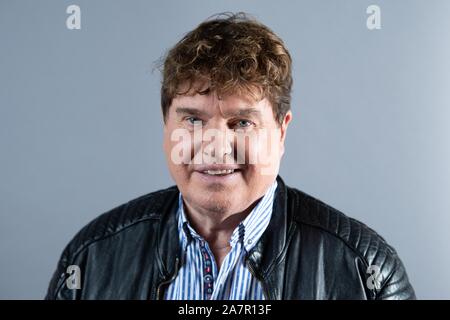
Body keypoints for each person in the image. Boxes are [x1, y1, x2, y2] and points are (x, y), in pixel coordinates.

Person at [46, 13, 415, 300]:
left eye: (240, 122)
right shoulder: (91, 258)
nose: (216, 146)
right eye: (193, 119)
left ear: (281, 131)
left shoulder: (365, 270)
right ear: (165, 124)